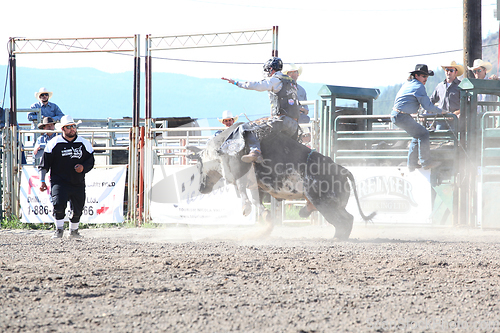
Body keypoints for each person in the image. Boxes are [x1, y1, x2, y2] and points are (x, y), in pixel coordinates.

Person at [221, 57, 300, 163]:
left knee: (249, 128)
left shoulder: (275, 80)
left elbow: (257, 85)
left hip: (282, 121)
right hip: (294, 125)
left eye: (268, 70)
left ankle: (255, 151)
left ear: (271, 69)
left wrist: (237, 83)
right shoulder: (291, 82)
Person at [39, 115, 95, 239]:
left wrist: (83, 168)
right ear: (63, 129)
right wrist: (42, 180)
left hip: (77, 182)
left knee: (78, 208)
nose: (72, 129)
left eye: (73, 126)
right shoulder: (54, 143)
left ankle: (74, 231)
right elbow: (44, 165)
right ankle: (59, 230)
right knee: (58, 205)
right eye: (69, 127)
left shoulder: (84, 143)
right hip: (59, 181)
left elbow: (90, 161)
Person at [391, 64, 442, 172]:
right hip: (402, 116)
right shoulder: (419, 86)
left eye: (427, 77)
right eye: (424, 76)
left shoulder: (408, 84)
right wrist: (441, 111)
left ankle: (412, 164)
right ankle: (426, 162)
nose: (426, 79)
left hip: (398, 114)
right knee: (424, 134)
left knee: (417, 135)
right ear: (417, 76)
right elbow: (427, 106)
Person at [429, 61, 464, 130]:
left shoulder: (461, 86)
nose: (449, 72)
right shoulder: (440, 86)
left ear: (456, 72)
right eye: (447, 70)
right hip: (441, 119)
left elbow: (466, 103)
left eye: (451, 70)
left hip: (455, 119)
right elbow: (431, 101)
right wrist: (426, 111)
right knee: (440, 138)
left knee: (454, 138)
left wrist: (456, 113)